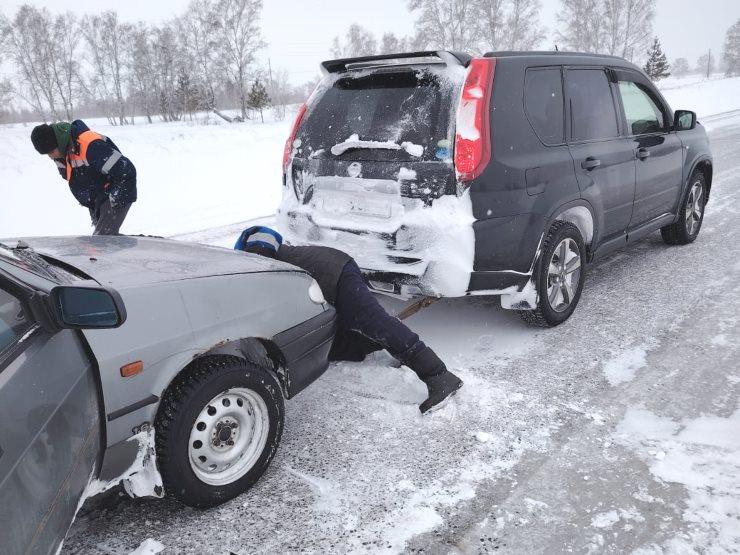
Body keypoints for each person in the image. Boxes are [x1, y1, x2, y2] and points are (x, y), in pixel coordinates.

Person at [235, 226, 463, 414]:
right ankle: (383, 341)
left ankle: (438, 375)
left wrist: (253, 254)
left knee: (374, 321)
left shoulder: (246, 253)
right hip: (322, 286)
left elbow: (264, 234)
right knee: (333, 345)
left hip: (333, 270)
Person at [31, 120, 137, 235]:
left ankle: (134, 250)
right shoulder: (61, 153)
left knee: (103, 241)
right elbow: (72, 177)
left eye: (51, 151)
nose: (51, 156)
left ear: (58, 142)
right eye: (47, 154)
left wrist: (113, 199)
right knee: (104, 240)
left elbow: (126, 170)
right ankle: (124, 248)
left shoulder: (90, 145)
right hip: (96, 199)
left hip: (115, 191)